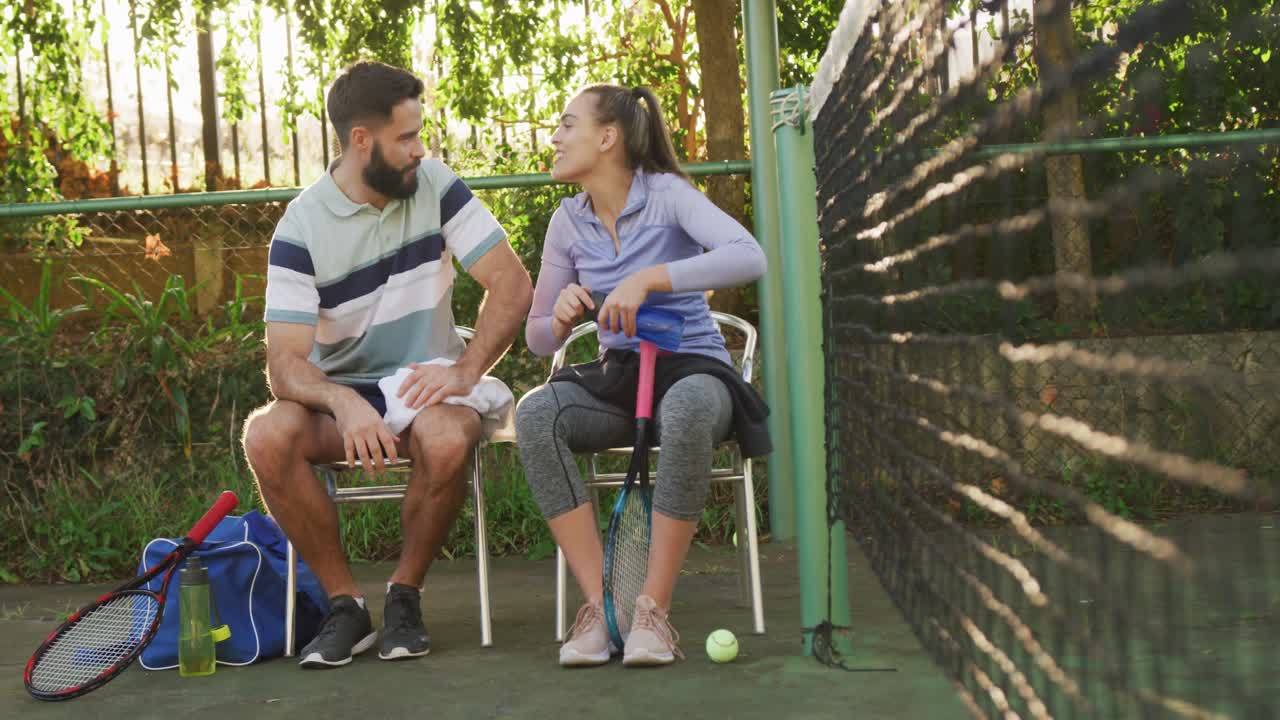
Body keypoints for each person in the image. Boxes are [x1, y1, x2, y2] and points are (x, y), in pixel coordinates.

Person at [242, 60, 532, 669]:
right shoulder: (301, 224)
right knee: (267, 435)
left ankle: (405, 594)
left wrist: (466, 370)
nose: (419, 149)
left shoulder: (436, 184)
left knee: (449, 437)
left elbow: (510, 283)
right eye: (406, 137)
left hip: (428, 389)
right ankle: (346, 606)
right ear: (361, 141)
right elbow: (284, 364)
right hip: (341, 400)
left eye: (419, 134)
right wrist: (344, 403)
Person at [515, 84, 769, 668]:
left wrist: (651, 278)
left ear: (607, 138)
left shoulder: (669, 195)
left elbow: (748, 254)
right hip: (621, 378)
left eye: (566, 125)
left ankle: (652, 610)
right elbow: (536, 338)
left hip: (695, 370)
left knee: (684, 410)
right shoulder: (567, 220)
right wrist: (556, 318)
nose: (554, 138)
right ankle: (603, 610)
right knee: (536, 413)